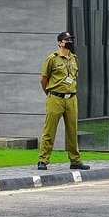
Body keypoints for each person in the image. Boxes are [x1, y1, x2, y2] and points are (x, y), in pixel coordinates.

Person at [37, 32, 89, 170]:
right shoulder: (52, 59)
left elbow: (74, 76)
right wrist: (49, 93)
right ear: (60, 42)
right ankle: (43, 160)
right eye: (67, 40)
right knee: (49, 130)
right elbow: (44, 79)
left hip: (71, 98)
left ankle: (75, 161)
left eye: (71, 39)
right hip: (55, 98)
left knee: (73, 130)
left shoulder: (74, 59)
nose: (70, 42)